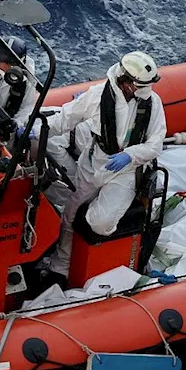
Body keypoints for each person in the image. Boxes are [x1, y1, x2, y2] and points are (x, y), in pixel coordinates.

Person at [44, 51, 167, 278]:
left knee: (100, 223)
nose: (143, 90)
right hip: (94, 163)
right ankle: (60, 267)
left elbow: (155, 143)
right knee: (71, 213)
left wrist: (130, 155)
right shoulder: (98, 95)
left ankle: (100, 251)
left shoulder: (153, 104)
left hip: (126, 171)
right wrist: (36, 130)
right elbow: (65, 119)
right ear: (126, 81)